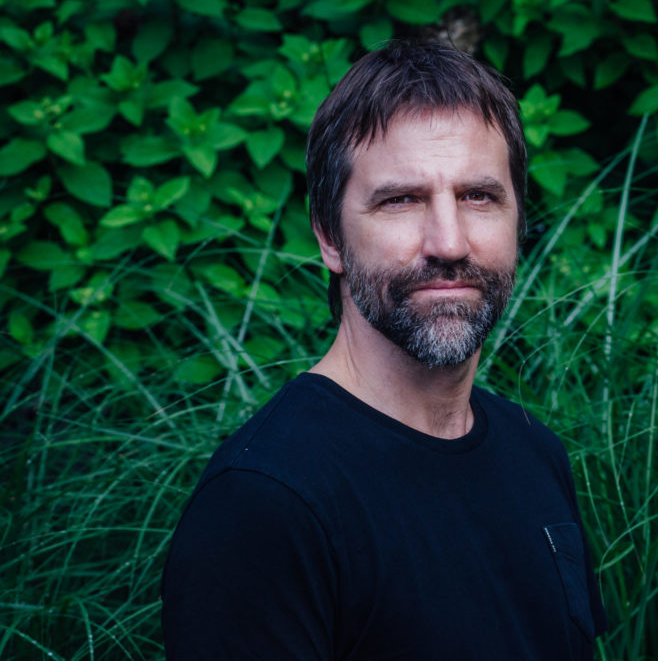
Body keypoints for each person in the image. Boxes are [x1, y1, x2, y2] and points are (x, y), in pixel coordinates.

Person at [161, 39, 607, 660]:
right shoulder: (267, 503)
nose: (449, 242)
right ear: (330, 236)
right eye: (402, 200)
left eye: (479, 196)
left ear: (517, 219)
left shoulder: (534, 451)